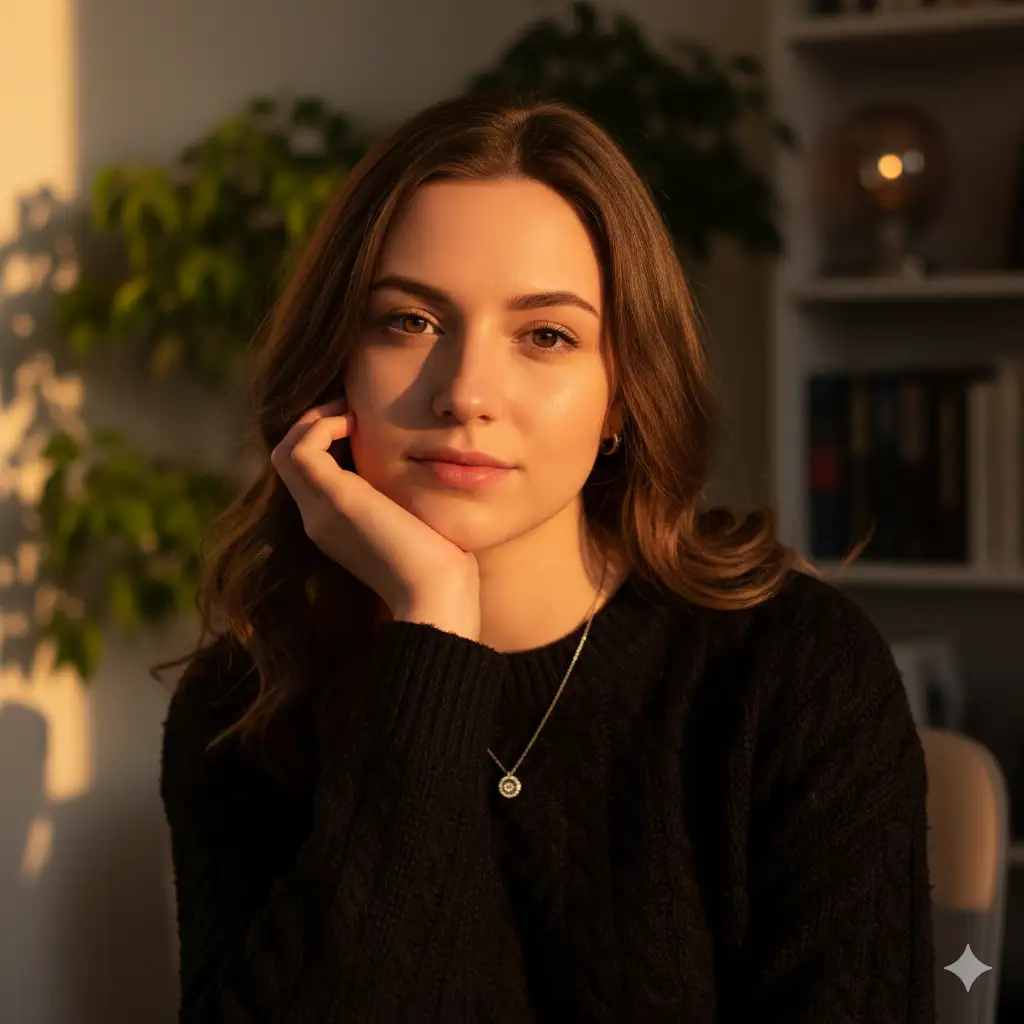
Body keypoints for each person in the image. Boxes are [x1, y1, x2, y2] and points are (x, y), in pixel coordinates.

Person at [153, 92, 936, 1023]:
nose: (468, 393)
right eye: (409, 321)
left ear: (621, 397)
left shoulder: (792, 672)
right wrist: (434, 629)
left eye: (547, 336)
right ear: (336, 364)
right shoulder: (247, 703)